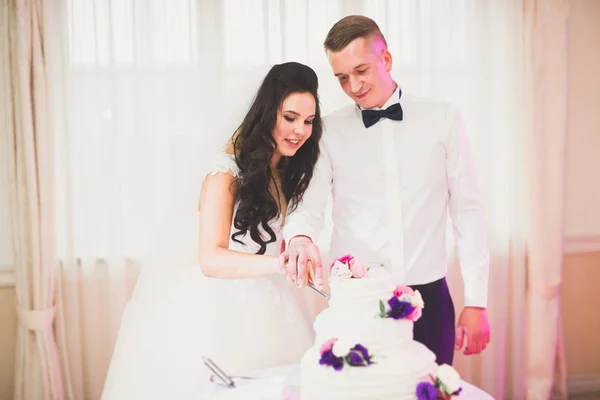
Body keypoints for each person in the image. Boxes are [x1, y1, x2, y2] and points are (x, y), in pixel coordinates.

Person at [101, 61, 323, 399]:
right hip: (219, 309)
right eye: (289, 118)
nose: (300, 131)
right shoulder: (225, 172)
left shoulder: (288, 170)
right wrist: (281, 263)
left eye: (308, 121)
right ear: (266, 115)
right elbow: (211, 259)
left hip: (274, 306)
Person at [280, 16, 491, 366]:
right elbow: (308, 205)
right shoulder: (328, 131)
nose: (353, 85)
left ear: (387, 60)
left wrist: (477, 301)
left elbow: (468, 210)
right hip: (356, 301)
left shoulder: (443, 118)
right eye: (342, 77)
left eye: (361, 70)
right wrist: (300, 236)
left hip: (429, 297)